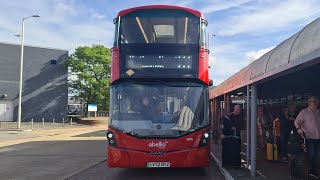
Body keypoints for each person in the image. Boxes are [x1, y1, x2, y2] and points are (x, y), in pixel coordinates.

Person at [294, 96, 320, 177]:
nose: (315, 102)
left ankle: (314, 170)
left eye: (316, 101)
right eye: (313, 101)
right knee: (311, 154)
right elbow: (296, 121)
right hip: (309, 137)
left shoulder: (319, 111)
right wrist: (298, 129)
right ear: (309, 102)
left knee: (318, 155)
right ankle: (311, 170)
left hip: (318, 137)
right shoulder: (304, 112)